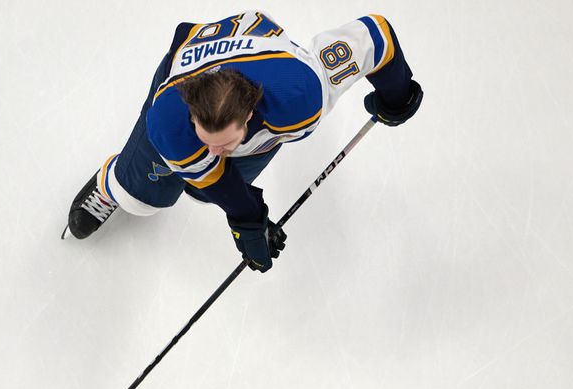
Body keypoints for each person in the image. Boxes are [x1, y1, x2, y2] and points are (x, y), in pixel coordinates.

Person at [65, 11, 423, 272]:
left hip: (262, 61)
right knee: (142, 196)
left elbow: (374, 37)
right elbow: (217, 177)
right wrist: (248, 221)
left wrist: (398, 92)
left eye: (223, 144)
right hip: (194, 68)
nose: (214, 153)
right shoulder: (171, 119)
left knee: (202, 191)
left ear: (250, 116)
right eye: (205, 140)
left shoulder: (301, 93)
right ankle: (111, 184)